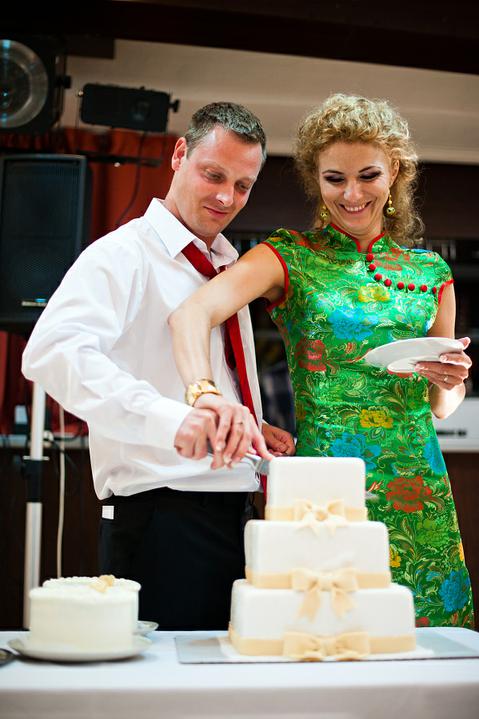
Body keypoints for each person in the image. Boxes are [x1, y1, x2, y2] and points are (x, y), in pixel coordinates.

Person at [168, 93, 474, 628]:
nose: (352, 194)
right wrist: (205, 395)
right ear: (316, 180)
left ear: (394, 172)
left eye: (368, 176)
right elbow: (192, 313)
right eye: (335, 179)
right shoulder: (290, 256)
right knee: (325, 632)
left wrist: (450, 380)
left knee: (426, 643)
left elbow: (441, 405)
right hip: (327, 489)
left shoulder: (432, 273)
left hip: (419, 482)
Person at [22, 102, 295, 630]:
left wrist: (244, 424)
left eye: (242, 186)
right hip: (161, 518)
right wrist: (174, 419)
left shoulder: (226, 264)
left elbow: (193, 374)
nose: (226, 197)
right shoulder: (122, 254)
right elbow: (53, 352)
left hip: (239, 515)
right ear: (178, 155)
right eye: (213, 175)